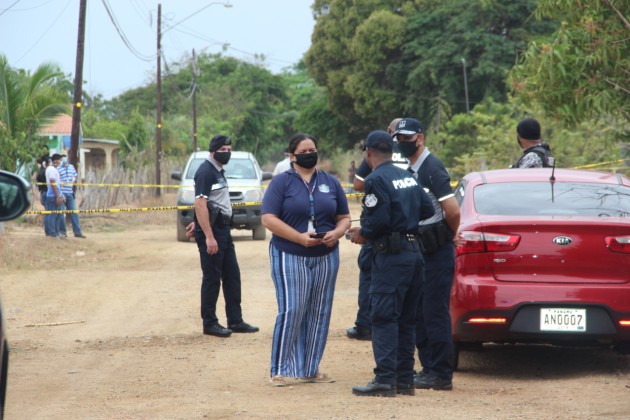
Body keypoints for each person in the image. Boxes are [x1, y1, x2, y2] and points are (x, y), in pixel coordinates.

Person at [261, 133, 351, 387]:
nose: (310, 153)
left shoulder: (330, 182)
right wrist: (299, 238)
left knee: (319, 311)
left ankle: (309, 369)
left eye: (313, 149)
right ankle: (280, 369)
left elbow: (344, 216)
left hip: (325, 255)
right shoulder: (281, 183)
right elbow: (268, 218)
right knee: (293, 309)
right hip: (290, 253)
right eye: (304, 150)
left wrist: (337, 232)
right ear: (292, 155)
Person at [349, 130, 428, 397]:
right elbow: (427, 210)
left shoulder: (375, 179)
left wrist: (363, 234)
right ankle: (405, 380)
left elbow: (377, 220)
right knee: (407, 319)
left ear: (368, 153)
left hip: (392, 258)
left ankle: (384, 380)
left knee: (383, 318)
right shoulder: (407, 176)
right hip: (415, 254)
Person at [393, 117, 461, 391]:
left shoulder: (432, 168)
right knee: (420, 311)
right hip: (422, 249)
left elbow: (453, 210)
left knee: (433, 312)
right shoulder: (412, 168)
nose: (401, 143)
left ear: (420, 138)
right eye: (398, 138)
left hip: (437, 249)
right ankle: (429, 368)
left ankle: (441, 373)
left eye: (406, 138)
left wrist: (449, 232)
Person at [193, 134, 259, 338]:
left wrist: (199, 223)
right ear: (212, 152)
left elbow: (212, 203)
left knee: (232, 275)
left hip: (222, 229)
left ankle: (235, 320)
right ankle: (210, 323)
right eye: (223, 150)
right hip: (214, 233)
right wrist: (208, 236)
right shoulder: (205, 172)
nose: (227, 153)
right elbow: (200, 203)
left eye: (229, 150)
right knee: (212, 277)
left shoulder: (218, 171)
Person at [346, 118, 402, 341]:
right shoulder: (412, 154)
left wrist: (379, 181)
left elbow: (358, 185)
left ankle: (365, 324)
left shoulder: (378, 157)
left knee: (370, 273)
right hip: (407, 225)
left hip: (378, 224)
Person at [57, 154, 86, 238]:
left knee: (74, 212)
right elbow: (56, 181)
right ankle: (62, 232)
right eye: (62, 157)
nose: (64, 159)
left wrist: (73, 179)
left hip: (70, 193)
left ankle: (77, 232)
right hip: (62, 194)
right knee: (61, 214)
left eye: (65, 157)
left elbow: (75, 176)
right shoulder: (58, 169)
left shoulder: (71, 167)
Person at [44, 154, 66, 239]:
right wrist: (57, 196)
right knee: (53, 215)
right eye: (60, 160)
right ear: (56, 160)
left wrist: (61, 195)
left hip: (54, 194)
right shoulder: (52, 170)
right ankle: (52, 233)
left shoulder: (51, 169)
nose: (60, 162)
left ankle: (54, 232)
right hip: (53, 195)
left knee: (55, 215)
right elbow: (53, 182)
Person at [36, 155, 51, 235]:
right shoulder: (46, 171)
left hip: (43, 192)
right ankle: (48, 231)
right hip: (47, 193)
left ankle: (48, 230)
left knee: (48, 212)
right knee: (49, 212)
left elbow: (38, 182)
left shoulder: (41, 171)